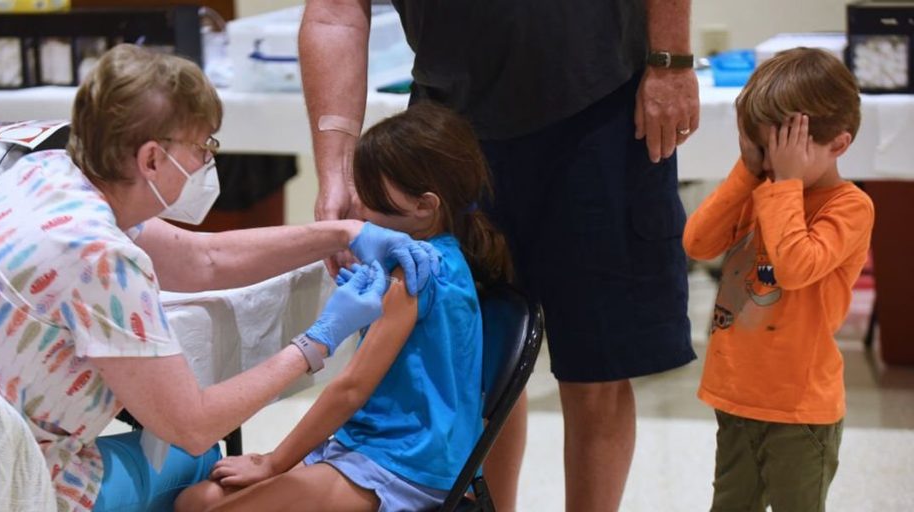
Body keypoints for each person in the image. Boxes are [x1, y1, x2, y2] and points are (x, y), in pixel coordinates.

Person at [0, 44, 440, 512]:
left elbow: (201, 260)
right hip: (9, 488)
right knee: (199, 462)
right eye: (203, 148)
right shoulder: (101, 258)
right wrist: (316, 342)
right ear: (152, 159)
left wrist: (342, 233)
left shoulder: (38, 174)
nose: (206, 162)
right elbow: (194, 425)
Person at [299, 1, 699, 509]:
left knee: (597, 364)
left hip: (598, 101)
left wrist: (670, 62)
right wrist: (337, 173)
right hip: (448, 120)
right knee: (467, 363)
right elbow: (334, 13)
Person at [174, 103, 514, 512]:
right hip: (365, 443)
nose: (360, 210)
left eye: (371, 197)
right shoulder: (429, 256)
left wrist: (273, 463)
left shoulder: (415, 272)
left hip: (405, 465)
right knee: (194, 501)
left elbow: (351, 388)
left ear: (425, 206)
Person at [683, 48, 874, 511]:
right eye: (763, 150)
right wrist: (747, 171)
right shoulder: (761, 186)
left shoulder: (849, 207)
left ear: (838, 145)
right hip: (737, 396)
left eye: (783, 153)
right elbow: (698, 243)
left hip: (800, 410)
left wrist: (784, 186)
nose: (770, 165)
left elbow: (793, 266)